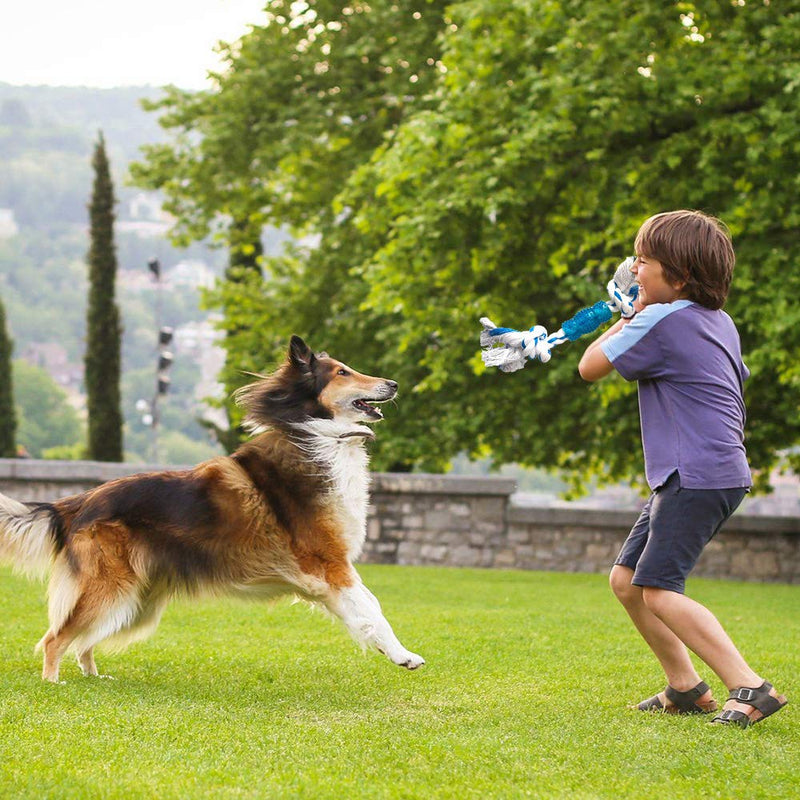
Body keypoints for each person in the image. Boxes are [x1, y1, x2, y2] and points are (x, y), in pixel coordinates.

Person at [578, 209, 788, 728]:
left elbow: (589, 367)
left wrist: (628, 311)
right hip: (706, 471)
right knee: (627, 581)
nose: (632, 268)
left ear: (679, 276)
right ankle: (686, 688)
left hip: (696, 473)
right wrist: (639, 305)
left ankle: (752, 687)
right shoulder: (719, 321)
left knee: (659, 589)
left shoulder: (659, 318)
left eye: (643, 260)